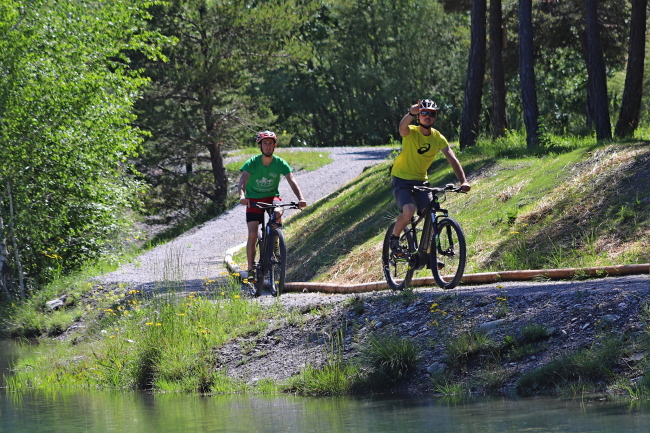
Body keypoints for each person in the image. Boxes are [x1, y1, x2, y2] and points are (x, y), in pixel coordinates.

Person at [390, 99, 471, 257]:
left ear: (435, 117)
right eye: (424, 113)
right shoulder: (411, 132)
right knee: (409, 210)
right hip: (401, 179)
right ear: (419, 115)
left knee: (432, 214)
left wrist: (463, 181)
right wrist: (410, 113)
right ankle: (394, 239)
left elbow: (452, 159)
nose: (428, 116)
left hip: (421, 180)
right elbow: (401, 127)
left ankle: (429, 256)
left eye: (432, 114)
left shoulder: (437, 138)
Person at [238, 130, 307, 283]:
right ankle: (250, 269)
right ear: (260, 146)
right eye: (265, 143)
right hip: (253, 200)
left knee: (278, 211)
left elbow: (292, 180)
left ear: (274, 145)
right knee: (253, 234)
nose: (268, 146)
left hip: (271, 197)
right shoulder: (252, 163)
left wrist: (301, 199)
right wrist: (242, 196)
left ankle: (275, 243)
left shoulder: (279, 163)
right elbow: (242, 181)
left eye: (270, 143)